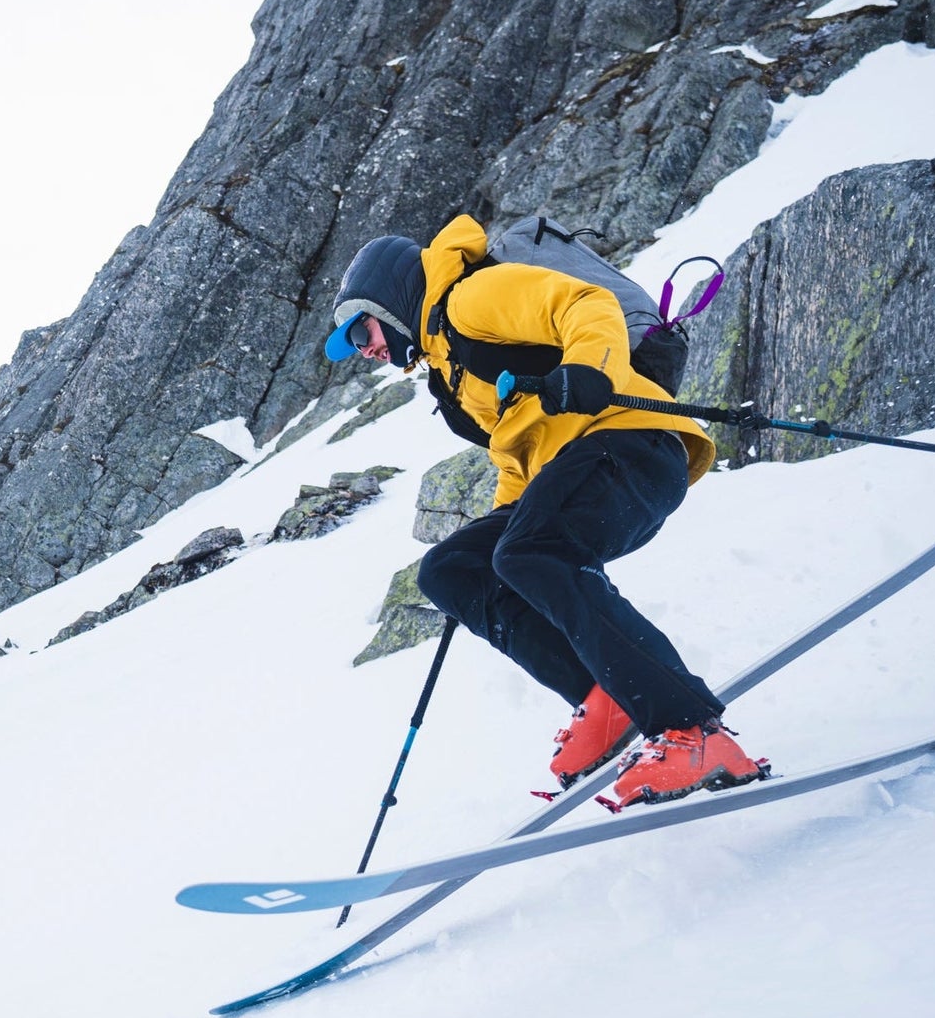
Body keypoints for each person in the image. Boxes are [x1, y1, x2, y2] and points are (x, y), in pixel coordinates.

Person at [324, 213, 767, 808]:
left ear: (392, 301)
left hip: (630, 442)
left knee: (535, 551)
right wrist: (498, 529)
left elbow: (584, 304)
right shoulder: (452, 371)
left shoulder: (471, 297)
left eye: (362, 333)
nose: (367, 352)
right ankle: (606, 700)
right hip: (581, 465)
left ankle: (692, 730)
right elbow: (518, 452)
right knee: (453, 569)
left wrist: (586, 368)